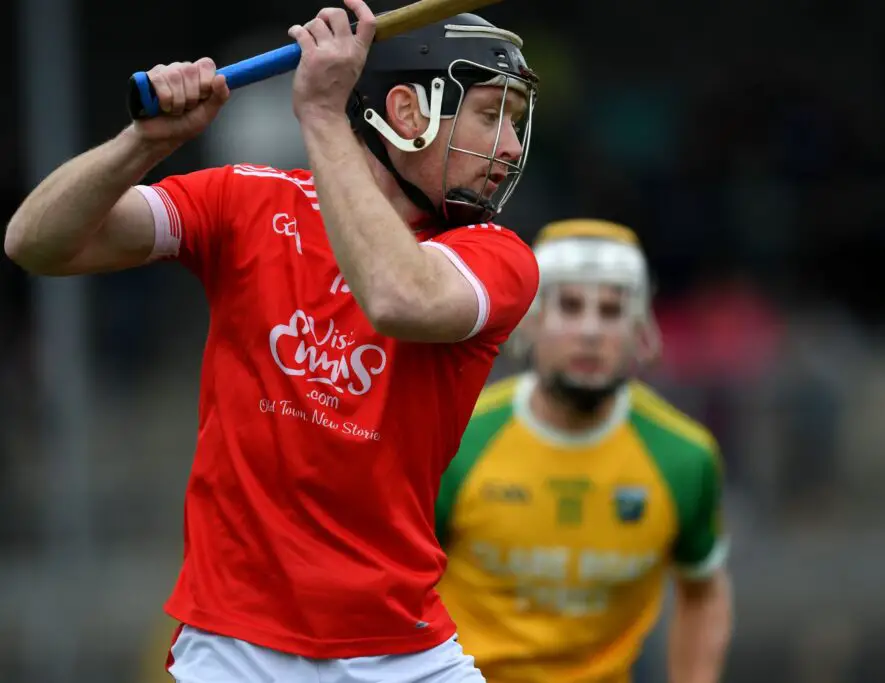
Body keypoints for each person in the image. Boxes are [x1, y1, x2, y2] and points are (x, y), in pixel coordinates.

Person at [6, 3, 540, 682]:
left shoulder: (496, 256)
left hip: (402, 651)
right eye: (492, 116)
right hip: (232, 649)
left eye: (515, 123)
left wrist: (320, 115)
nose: (511, 148)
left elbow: (399, 297)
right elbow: (36, 243)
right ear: (408, 112)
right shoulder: (246, 202)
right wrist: (143, 142)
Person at [434, 219, 734, 682]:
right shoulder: (457, 439)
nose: (591, 331)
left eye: (612, 311)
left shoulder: (685, 457)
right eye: (569, 306)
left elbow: (704, 590)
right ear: (530, 321)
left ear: (640, 331)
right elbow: (398, 589)